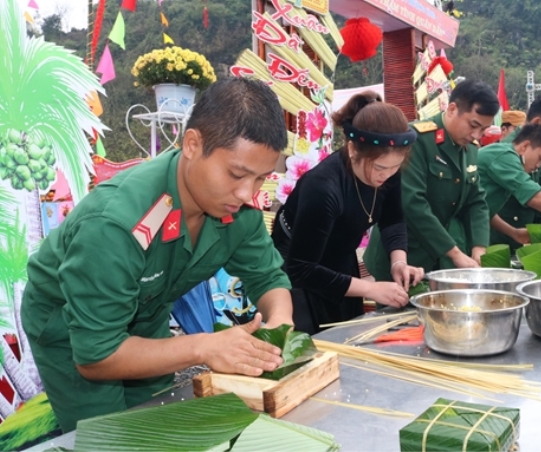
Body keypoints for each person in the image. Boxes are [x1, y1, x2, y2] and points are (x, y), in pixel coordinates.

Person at [21, 78, 295, 432]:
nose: (247, 193)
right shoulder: (116, 223)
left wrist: (281, 321)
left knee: (156, 416)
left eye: (260, 179)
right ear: (193, 144)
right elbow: (96, 354)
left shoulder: (237, 209)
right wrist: (202, 347)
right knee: (107, 431)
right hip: (70, 327)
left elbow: (268, 277)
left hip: (147, 310)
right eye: (237, 174)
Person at [271, 91, 424, 334]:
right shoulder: (323, 187)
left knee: (349, 333)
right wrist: (370, 289)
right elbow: (301, 268)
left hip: (340, 255)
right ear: (353, 149)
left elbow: (393, 220)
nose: (387, 175)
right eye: (381, 168)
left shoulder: (389, 171)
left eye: (396, 167)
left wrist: (399, 263)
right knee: (315, 342)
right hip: (297, 266)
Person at [363, 80, 498, 280]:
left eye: (483, 130)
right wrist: (454, 253)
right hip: (403, 255)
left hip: (439, 256)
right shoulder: (415, 139)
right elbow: (412, 203)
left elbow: (476, 201)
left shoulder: (469, 148)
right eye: (473, 125)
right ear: (452, 109)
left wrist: (479, 247)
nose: (476, 135)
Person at [492, 96, 541, 250]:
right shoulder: (507, 150)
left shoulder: (533, 149)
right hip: (501, 232)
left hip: (521, 231)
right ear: (537, 123)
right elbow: (530, 194)